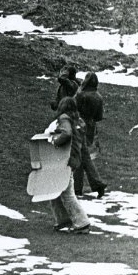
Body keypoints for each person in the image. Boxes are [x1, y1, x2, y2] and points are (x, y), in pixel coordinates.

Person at [47, 97, 92, 234]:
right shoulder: (78, 120)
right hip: (73, 159)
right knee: (56, 189)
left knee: (66, 192)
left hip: (65, 159)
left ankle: (82, 223)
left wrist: (56, 141)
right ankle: (62, 220)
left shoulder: (64, 119)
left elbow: (66, 133)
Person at [73, 71, 108, 198]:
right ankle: (90, 186)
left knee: (81, 156)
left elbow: (72, 108)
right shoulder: (98, 96)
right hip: (91, 127)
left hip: (78, 125)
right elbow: (99, 117)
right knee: (83, 155)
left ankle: (82, 187)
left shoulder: (80, 94)